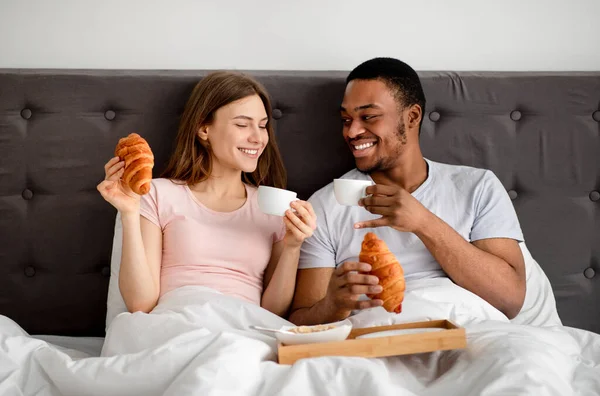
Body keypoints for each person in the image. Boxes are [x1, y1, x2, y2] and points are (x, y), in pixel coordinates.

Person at [289, 57, 526, 325]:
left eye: (368, 117)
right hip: (381, 337)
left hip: (472, 333)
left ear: (412, 116)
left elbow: (511, 300)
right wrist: (334, 305)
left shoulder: (477, 187)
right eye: (346, 119)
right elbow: (301, 321)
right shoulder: (325, 205)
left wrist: (423, 222)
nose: (352, 131)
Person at [97, 71, 317, 318]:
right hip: (177, 323)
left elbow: (271, 314)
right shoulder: (158, 194)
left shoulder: (273, 207)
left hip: (242, 331)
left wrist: (293, 247)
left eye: (263, 125)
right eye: (242, 125)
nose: (258, 138)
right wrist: (128, 212)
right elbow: (141, 304)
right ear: (203, 129)